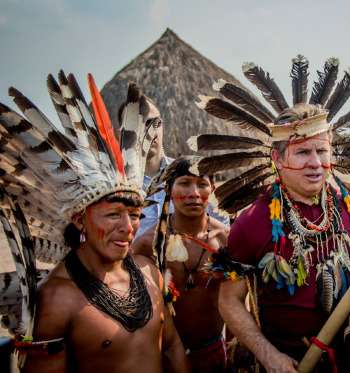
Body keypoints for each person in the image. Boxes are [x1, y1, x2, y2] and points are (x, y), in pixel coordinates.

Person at [193, 55, 350, 372]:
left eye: (321, 151)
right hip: (289, 362)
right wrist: (269, 357)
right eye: (303, 152)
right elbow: (229, 301)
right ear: (278, 159)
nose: (314, 162)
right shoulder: (253, 221)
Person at [0, 75, 188, 372]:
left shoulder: (149, 271)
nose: (128, 227)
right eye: (113, 214)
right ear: (79, 220)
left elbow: (173, 346)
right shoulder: (59, 298)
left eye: (136, 215)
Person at [134, 157, 229, 372]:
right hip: (163, 357)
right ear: (168, 189)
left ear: (212, 190)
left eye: (202, 184)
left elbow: (238, 298)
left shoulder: (224, 240)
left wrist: (236, 344)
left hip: (215, 353)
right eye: (184, 183)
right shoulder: (148, 245)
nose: (194, 193)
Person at [130, 99, 228, 239]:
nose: (147, 130)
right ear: (124, 131)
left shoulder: (195, 173)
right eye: (136, 124)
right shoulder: (112, 187)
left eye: (152, 123)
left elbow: (223, 236)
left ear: (162, 126)